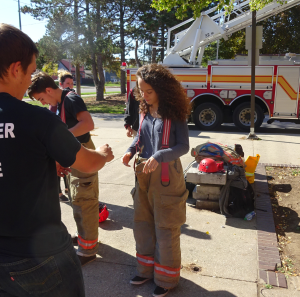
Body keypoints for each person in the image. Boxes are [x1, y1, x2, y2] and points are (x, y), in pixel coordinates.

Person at [0, 23, 114, 296]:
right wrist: (104, 156)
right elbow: (87, 163)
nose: (29, 81)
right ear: (16, 69)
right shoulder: (38, 119)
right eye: (29, 72)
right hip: (41, 256)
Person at [121, 64, 190, 297]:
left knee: (166, 227)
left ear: (161, 89)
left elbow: (183, 146)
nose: (144, 96)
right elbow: (141, 136)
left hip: (167, 176)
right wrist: (131, 151)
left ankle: (166, 278)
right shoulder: (144, 110)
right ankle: (145, 269)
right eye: (141, 91)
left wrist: (159, 156)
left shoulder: (174, 112)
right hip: (143, 174)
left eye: (148, 91)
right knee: (142, 223)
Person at [28, 72, 102, 266]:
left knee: (84, 200)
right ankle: (84, 238)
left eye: (41, 98)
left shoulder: (71, 99)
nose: (43, 103)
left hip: (83, 153)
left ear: (49, 90)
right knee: (77, 199)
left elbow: (88, 124)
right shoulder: (59, 103)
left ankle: (88, 251)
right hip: (72, 154)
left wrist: (62, 137)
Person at [49, 70, 75, 202]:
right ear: (61, 84)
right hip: (57, 138)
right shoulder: (55, 102)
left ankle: (67, 188)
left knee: (66, 163)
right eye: (67, 83)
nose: (70, 85)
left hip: (66, 137)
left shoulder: (70, 98)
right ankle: (59, 192)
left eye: (72, 83)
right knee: (58, 164)